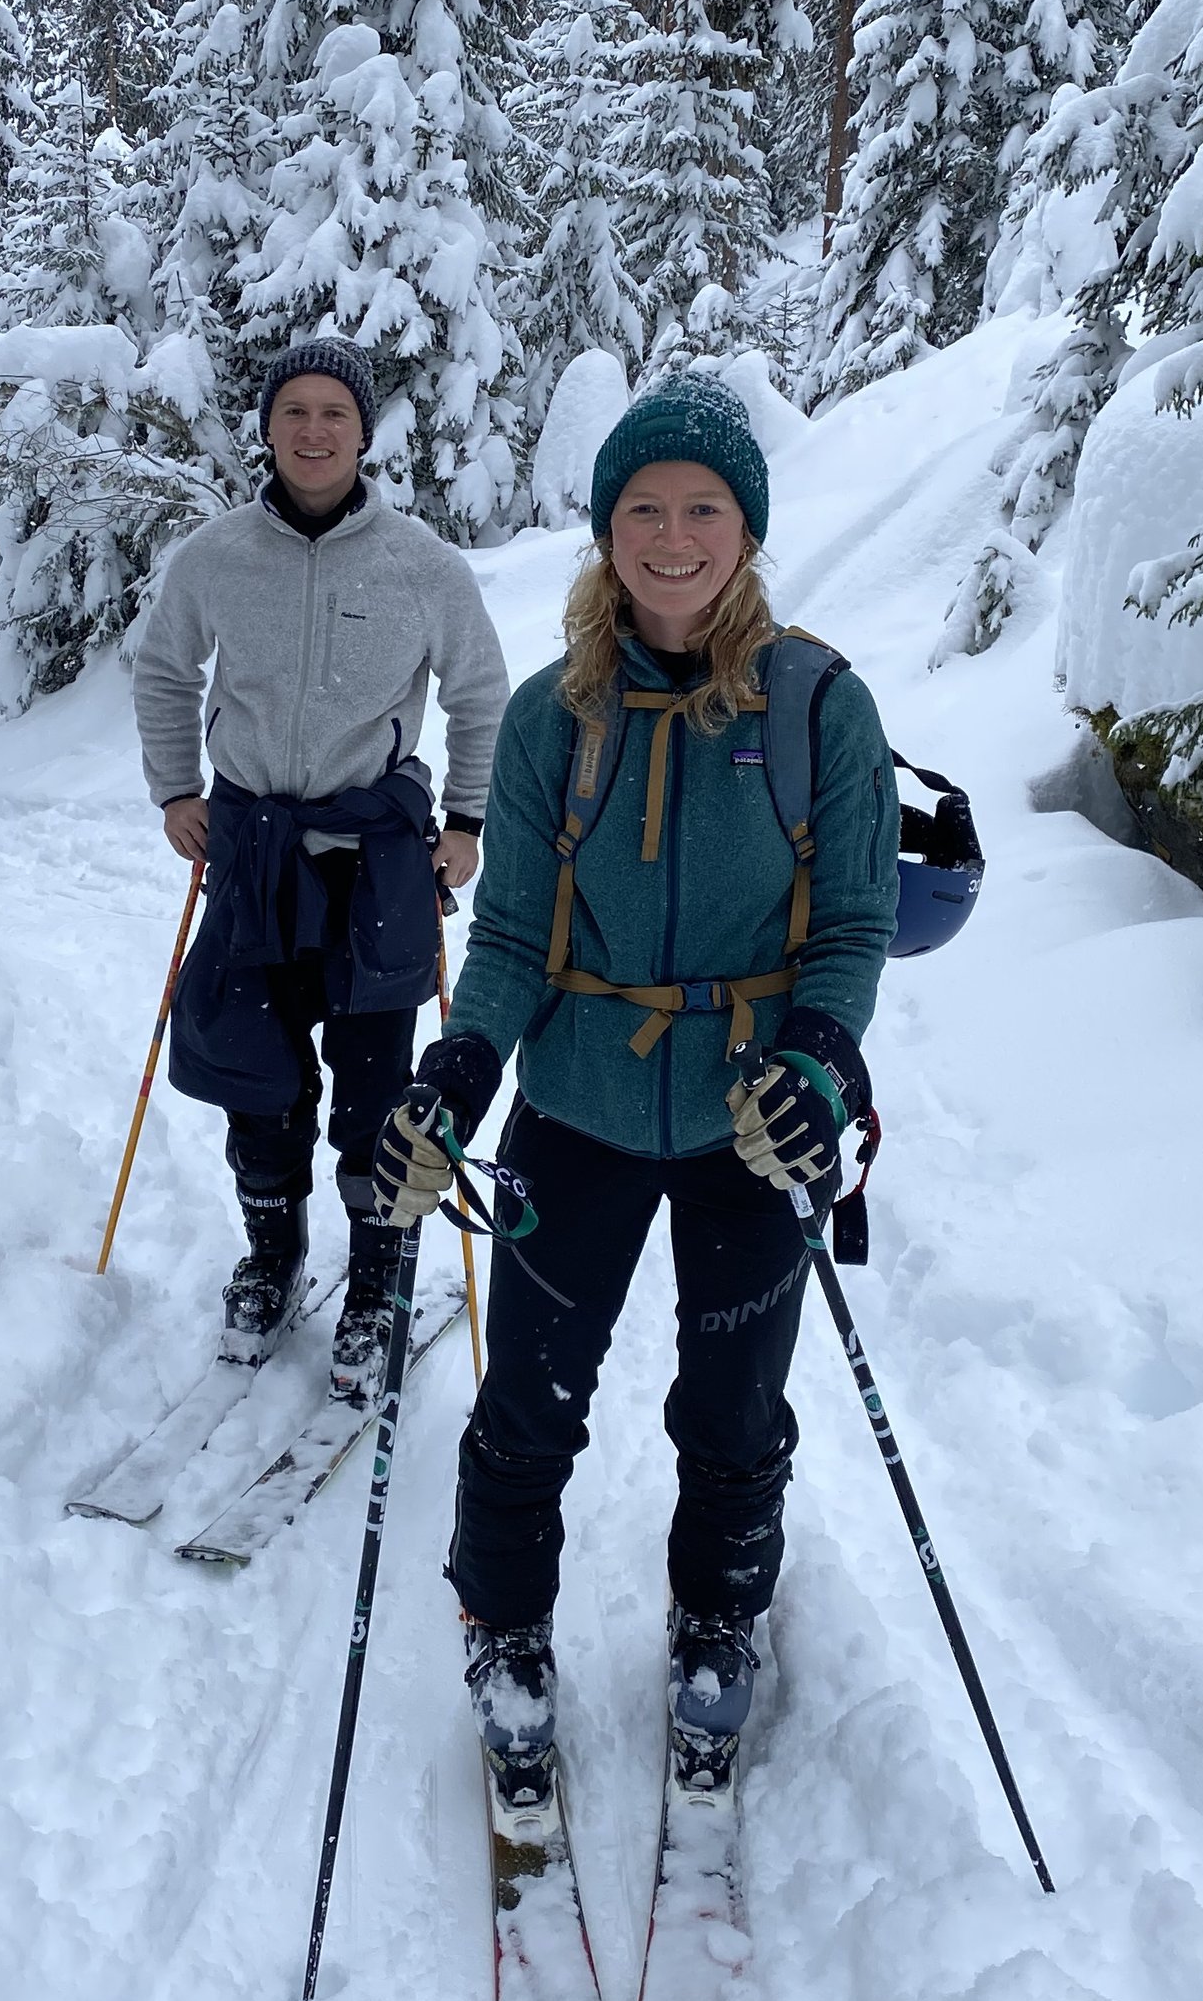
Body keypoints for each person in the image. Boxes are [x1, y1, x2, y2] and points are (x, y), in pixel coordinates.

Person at [372, 375, 897, 1801]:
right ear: (607, 532)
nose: (673, 537)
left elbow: (850, 933)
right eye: (644, 509)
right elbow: (517, 940)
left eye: (703, 509)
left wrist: (820, 1065)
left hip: (751, 1122)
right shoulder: (556, 718)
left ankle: (718, 1620)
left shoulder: (820, 707)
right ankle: (506, 1626)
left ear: (748, 528)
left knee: (734, 1412)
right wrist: (461, 1068)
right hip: (582, 1111)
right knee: (530, 1408)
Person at [133, 337, 510, 1392]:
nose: (311, 430)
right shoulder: (214, 557)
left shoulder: (422, 566)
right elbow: (162, 672)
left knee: (379, 1090)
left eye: (332, 413)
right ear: (265, 425)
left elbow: (481, 694)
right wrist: (176, 790)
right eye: (292, 410)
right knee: (255, 1076)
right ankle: (273, 1253)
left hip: (377, 866)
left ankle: (379, 1271)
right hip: (252, 855)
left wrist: (466, 822)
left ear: (363, 430)